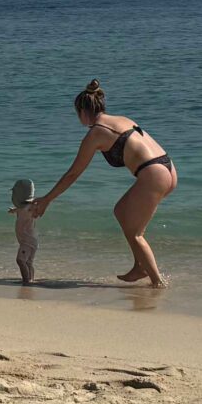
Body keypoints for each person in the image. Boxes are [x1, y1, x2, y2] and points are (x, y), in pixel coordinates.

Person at [32, 78, 174, 286]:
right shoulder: (123, 119)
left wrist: (47, 199)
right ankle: (139, 266)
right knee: (121, 211)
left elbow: (73, 174)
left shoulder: (96, 133)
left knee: (135, 233)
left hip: (153, 175)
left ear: (82, 111)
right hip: (168, 168)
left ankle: (156, 282)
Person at [10, 177, 39, 282]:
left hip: (28, 241)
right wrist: (14, 210)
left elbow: (31, 209)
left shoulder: (30, 207)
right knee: (28, 262)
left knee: (20, 260)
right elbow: (21, 209)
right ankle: (31, 279)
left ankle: (26, 281)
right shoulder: (23, 208)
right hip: (30, 240)